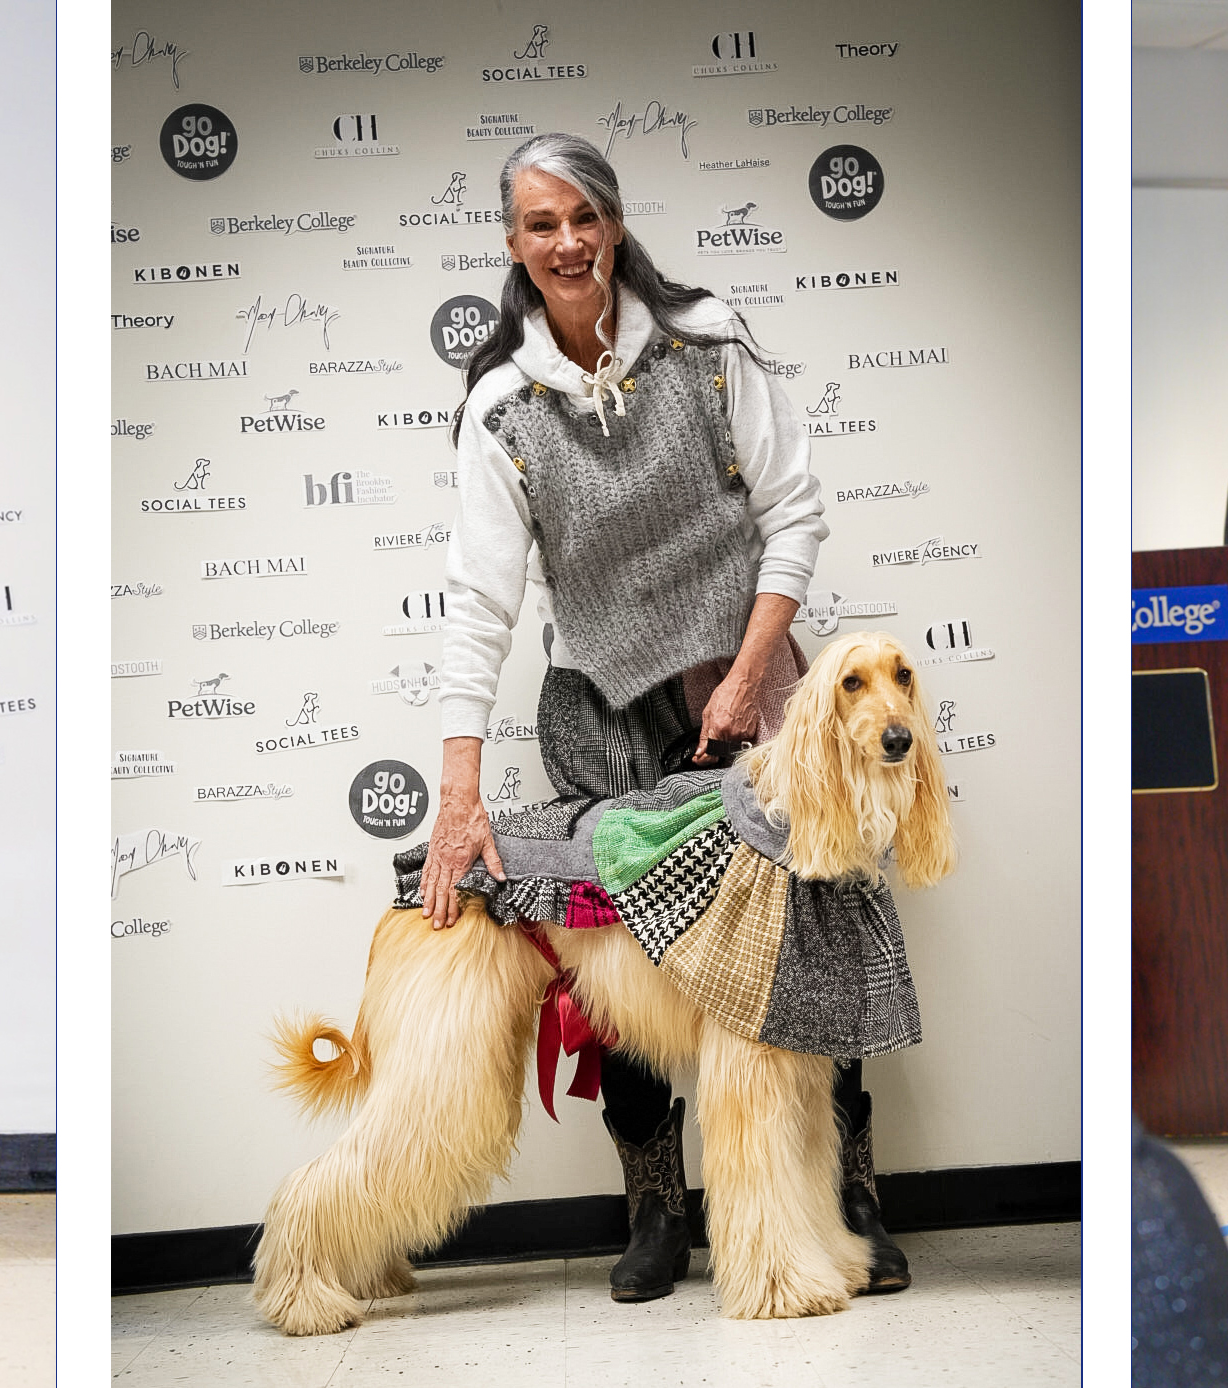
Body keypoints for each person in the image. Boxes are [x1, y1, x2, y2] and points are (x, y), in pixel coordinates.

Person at [415, 132, 910, 1303]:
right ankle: (655, 1204)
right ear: (514, 244)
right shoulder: (499, 407)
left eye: (585, 216)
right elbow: (480, 604)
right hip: (602, 717)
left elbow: (793, 512)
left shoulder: (708, 339)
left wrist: (747, 682)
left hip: (749, 687)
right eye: (542, 223)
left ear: (617, 223)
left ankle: (850, 1194)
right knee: (621, 968)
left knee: (808, 948)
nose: (568, 241)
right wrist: (458, 787)